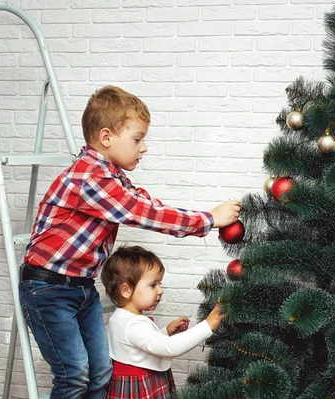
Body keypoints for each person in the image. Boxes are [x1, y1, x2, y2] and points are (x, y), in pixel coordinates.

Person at [18, 85, 240, 398]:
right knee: (75, 373)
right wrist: (208, 219)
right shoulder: (89, 176)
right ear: (106, 137)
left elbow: (144, 201)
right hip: (48, 288)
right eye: (137, 139)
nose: (144, 147)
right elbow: (142, 213)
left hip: (81, 287)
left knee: (101, 372)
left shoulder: (112, 176)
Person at [101, 245, 225, 399]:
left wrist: (165, 331)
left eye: (160, 284)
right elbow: (168, 348)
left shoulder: (120, 317)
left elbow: (137, 349)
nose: (160, 290)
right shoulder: (133, 324)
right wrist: (206, 326)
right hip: (140, 387)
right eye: (153, 285)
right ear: (126, 290)